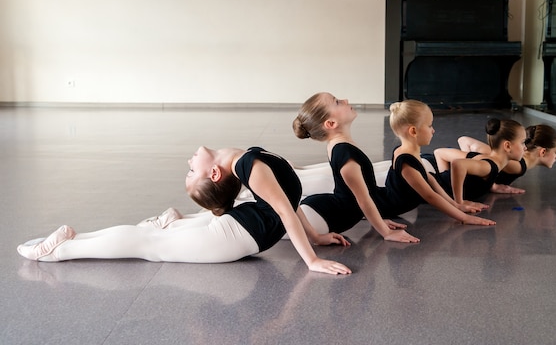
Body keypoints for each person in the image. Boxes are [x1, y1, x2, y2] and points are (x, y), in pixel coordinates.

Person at [17, 146, 352, 275]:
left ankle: (65, 247)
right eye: (193, 171)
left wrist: (315, 246)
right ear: (215, 174)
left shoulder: (242, 162)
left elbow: (286, 207)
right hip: (238, 229)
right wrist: (314, 251)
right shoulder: (247, 163)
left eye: (190, 171)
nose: (190, 163)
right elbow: (287, 207)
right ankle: (64, 246)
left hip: (238, 232)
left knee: (148, 243)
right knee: (148, 243)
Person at [292, 92, 420, 243]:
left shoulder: (338, 145)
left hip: (326, 210)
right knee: (273, 228)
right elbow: (363, 200)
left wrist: (378, 220)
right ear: (331, 124)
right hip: (320, 217)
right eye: (337, 102)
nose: (345, 100)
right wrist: (386, 232)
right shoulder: (345, 153)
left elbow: (358, 198)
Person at [384, 100, 495, 225]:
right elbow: (430, 196)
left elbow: (428, 178)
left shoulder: (407, 151)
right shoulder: (406, 162)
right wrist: (464, 218)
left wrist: (455, 204)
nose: (433, 130)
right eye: (429, 125)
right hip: (383, 207)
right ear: (413, 131)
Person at [429, 118, 527, 205]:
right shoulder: (489, 166)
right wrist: (459, 202)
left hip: (431, 185)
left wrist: (446, 183)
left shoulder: (493, 164)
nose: (525, 148)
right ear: (507, 146)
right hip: (425, 185)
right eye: (522, 142)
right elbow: (458, 164)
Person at [455, 124, 556, 193]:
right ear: (542, 151)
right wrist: (492, 185)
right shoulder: (517, 165)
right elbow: (464, 140)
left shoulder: (519, 164)